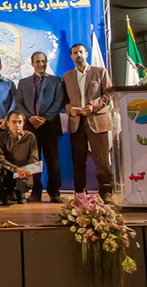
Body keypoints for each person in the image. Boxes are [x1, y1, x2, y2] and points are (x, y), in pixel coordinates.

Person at [63, 43, 114, 201]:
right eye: (75, 53)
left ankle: (106, 192)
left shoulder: (100, 72)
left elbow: (109, 94)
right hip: (76, 123)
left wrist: (93, 106)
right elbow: (64, 101)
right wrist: (70, 109)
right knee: (78, 160)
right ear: (71, 56)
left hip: (97, 120)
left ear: (86, 53)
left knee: (101, 160)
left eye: (80, 52)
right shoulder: (67, 77)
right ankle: (79, 193)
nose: (78, 55)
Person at [15, 51, 64, 203]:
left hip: (50, 126)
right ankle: (35, 192)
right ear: (32, 63)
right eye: (38, 61)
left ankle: (54, 192)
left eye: (43, 61)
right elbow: (19, 103)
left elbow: (59, 102)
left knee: (52, 161)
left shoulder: (56, 81)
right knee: (33, 161)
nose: (41, 64)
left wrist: (44, 118)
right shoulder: (23, 83)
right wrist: (30, 118)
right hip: (30, 127)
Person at [0, 111, 39, 205]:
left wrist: (25, 171)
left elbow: (33, 159)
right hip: (8, 172)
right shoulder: (1, 137)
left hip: (23, 174)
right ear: (8, 123)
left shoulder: (30, 137)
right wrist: (15, 169)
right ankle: (2, 195)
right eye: (14, 122)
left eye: (20, 122)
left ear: (23, 123)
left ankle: (20, 194)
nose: (17, 125)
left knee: (22, 192)